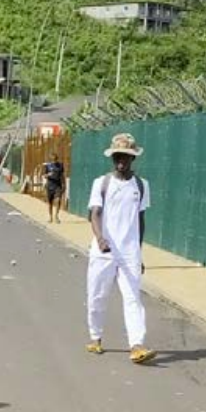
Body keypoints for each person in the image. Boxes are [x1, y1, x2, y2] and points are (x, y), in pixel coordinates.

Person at [85, 133, 156, 364]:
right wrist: (100, 238)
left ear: (133, 159)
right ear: (112, 157)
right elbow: (94, 213)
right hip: (103, 251)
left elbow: (140, 219)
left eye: (126, 157)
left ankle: (136, 346)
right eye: (117, 156)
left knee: (133, 298)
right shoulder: (102, 183)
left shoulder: (141, 186)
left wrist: (139, 251)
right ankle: (95, 337)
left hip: (129, 253)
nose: (121, 161)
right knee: (97, 296)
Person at [44, 153, 65, 224]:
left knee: (58, 200)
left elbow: (62, 175)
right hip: (49, 186)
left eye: (55, 159)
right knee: (50, 203)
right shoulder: (48, 166)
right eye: (53, 160)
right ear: (51, 160)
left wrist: (64, 184)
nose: (54, 161)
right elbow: (44, 175)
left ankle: (56, 216)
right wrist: (48, 175)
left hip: (57, 186)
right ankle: (50, 217)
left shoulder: (60, 165)